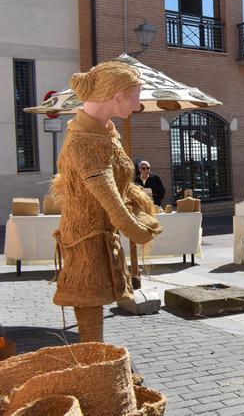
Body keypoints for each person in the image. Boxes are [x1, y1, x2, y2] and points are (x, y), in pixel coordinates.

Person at [53, 61, 162, 343]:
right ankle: (93, 359)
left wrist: (140, 209)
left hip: (102, 234)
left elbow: (120, 182)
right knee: (89, 300)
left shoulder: (107, 132)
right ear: (117, 96)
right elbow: (105, 190)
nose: (138, 105)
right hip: (85, 238)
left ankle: (96, 357)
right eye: (136, 96)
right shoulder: (83, 141)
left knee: (97, 298)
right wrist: (135, 229)